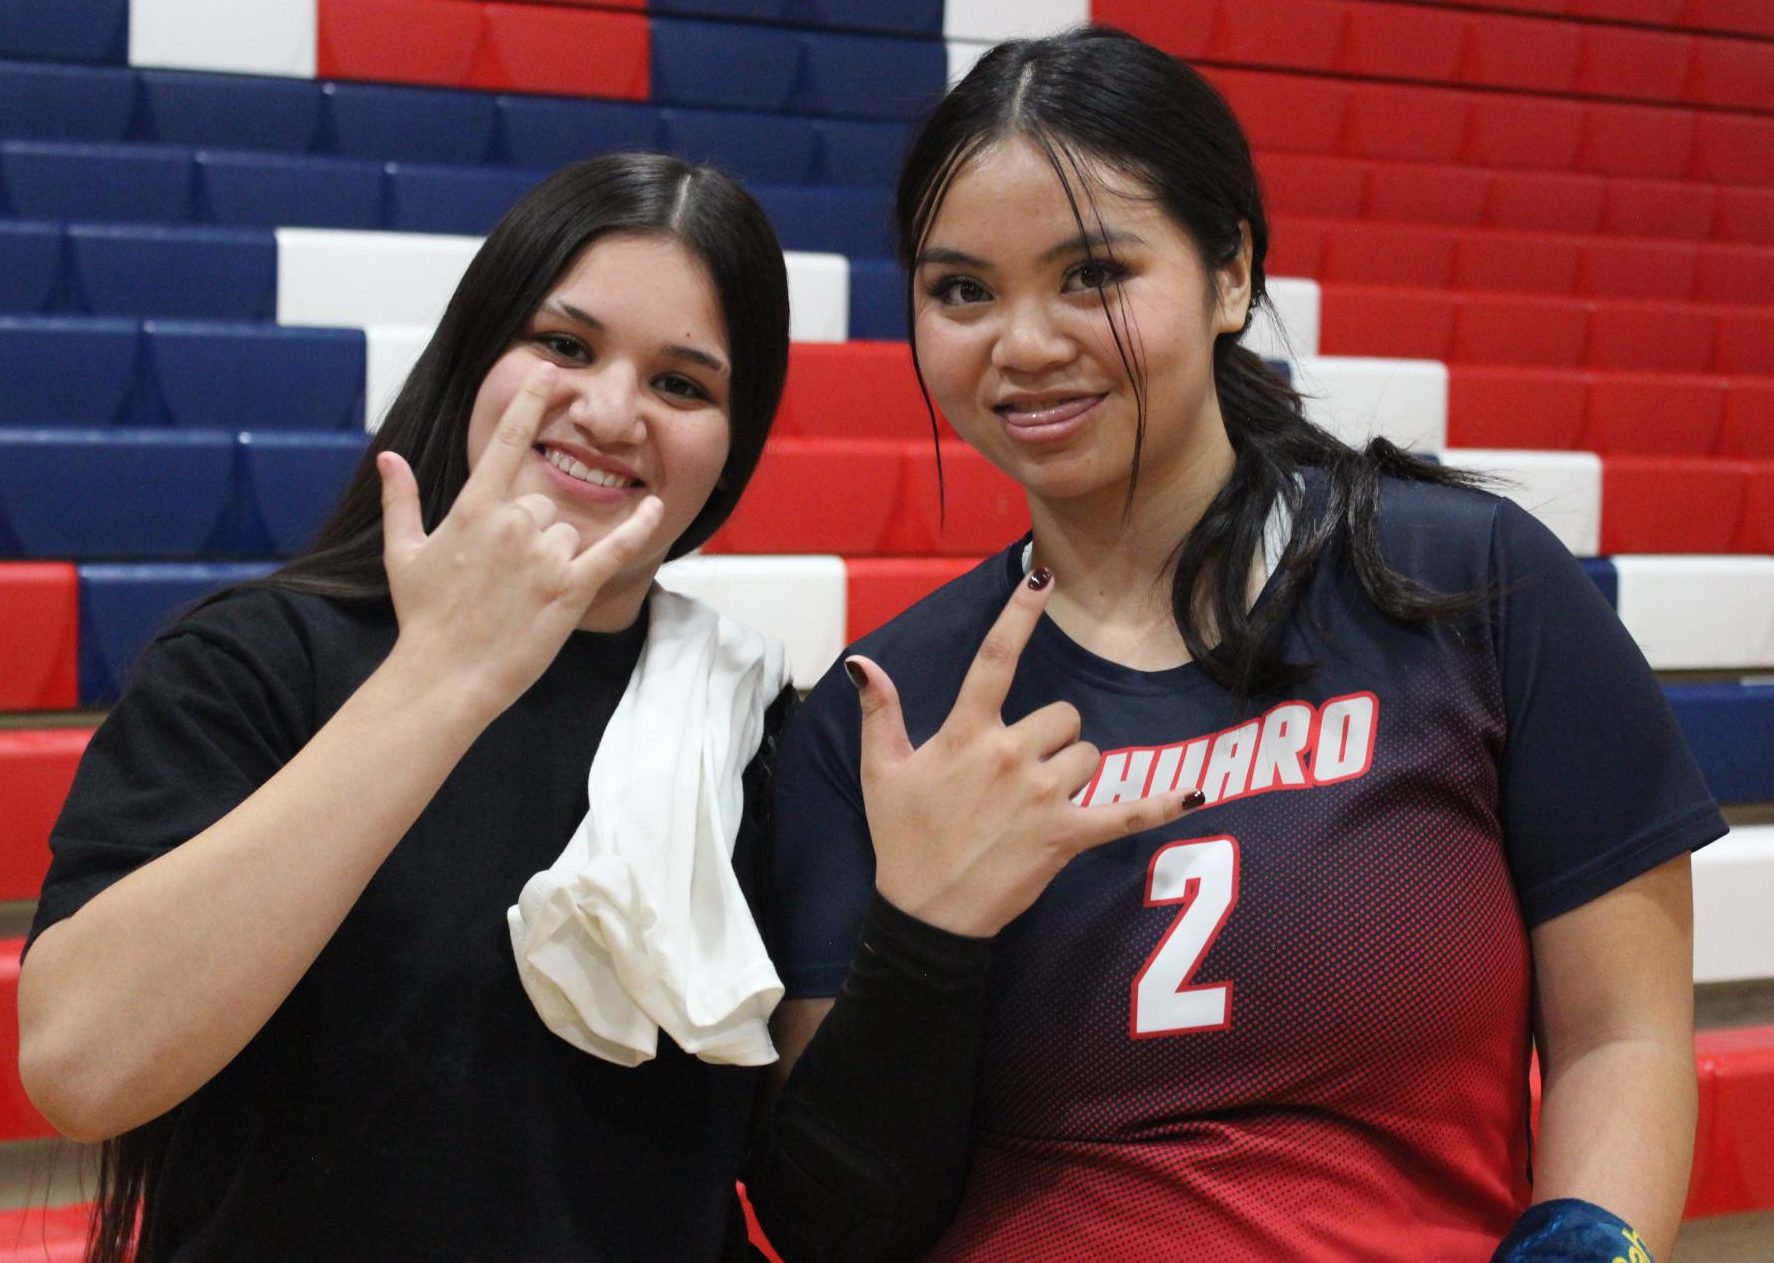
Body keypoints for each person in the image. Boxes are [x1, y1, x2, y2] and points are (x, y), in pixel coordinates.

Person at [753, 27, 1723, 1263]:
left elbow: (1620, 1038)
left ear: (1228, 276)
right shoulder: (882, 714)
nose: (1025, 342)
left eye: (1092, 273)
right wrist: (926, 935)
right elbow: (835, 1229)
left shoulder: (1472, 586)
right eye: (961, 291)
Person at [18, 152, 798, 1262]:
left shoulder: (758, 727)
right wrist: (446, 675)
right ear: (473, 356)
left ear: (731, 450)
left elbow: (826, 1189)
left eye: (683, 385)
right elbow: (84, 1067)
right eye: (564, 346)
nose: (611, 411)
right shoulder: (249, 662)